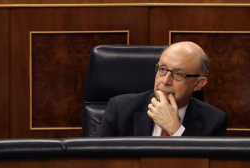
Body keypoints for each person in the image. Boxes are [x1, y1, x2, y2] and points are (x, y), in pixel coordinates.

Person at [94, 41, 227, 137]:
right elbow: (94, 162)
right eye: (162, 69)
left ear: (198, 84)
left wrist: (176, 130)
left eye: (179, 74)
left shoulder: (214, 122)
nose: (165, 81)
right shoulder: (121, 110)